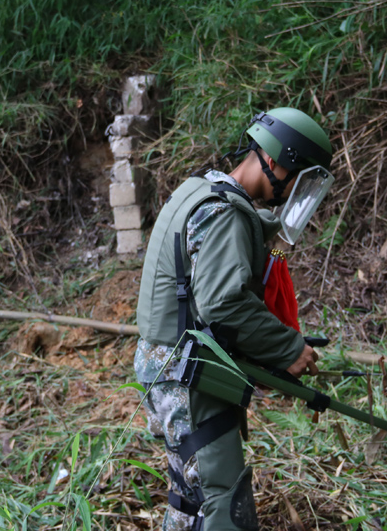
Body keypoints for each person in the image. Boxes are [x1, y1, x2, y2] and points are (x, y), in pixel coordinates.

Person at [135, 107, 335, 530]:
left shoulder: (200, 191)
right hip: (188, 379)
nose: (298, 191)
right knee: (223, 502)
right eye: (303, 179)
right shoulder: (225, 212)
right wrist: (287, 348)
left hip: (165, 367)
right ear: (282, 161)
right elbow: (222, 303)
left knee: (190, 499)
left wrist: (264, 232)